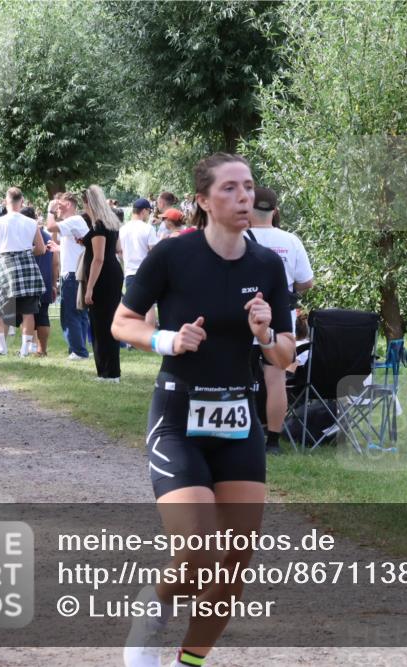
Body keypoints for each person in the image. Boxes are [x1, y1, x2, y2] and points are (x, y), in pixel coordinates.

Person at [112, 153, 294, 667]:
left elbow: (285, 356)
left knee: (233, 562)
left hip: (239, 422)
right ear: (203, 200)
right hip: (178, 420)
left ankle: (189, 661)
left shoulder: (267, 265)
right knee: (198, 552)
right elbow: (122, 322)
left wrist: (264, 334)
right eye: (230, 188)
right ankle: (156, 604)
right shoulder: (174, 255)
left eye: (249, 187)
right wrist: (167, 339)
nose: (244, 197)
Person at [247, 186, 314, 454]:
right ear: (275, 211)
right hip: (280, 315)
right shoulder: (290, 240)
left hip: (247, 313)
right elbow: (306, 282)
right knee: (275, 378)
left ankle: (239, 432)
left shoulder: (238, 237)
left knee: (237, 375)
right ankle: (273, 440)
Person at [0, 187, 46, 357]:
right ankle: (24, 351)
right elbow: (41, 249)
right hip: (28, 266)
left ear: (5, 202)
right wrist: (25, 253)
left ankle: (1, 349)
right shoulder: (32, 222)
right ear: (21, 201)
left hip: (6, 265)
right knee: (28, 312)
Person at [81, 185, 124, 382]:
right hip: (113, 273)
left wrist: (89, 288)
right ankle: (111, 371)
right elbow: (117, 248)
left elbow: (98, 259)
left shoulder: (98, 226)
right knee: (108, 323)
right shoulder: (112, 223)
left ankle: (107, 372)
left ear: (88, 203)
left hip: (102, 277)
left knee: (100, 325)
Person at [45, 192, 91, 361]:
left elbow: (50, 227)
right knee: (80, 314)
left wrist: (49, 210)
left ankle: (78, 351)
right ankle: (80, 348)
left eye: (60, 205)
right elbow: (79, 247)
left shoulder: (74, 220)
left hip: (72, 275)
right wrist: (59, 249)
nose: (57, 208)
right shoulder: (76, 222)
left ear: (69, 205)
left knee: (70, 314)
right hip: (77, 273)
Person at [23, 206, 59, 356]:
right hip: (45, 280)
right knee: (43, 314)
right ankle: (42, 350)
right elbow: (55, 262)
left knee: (27, 314)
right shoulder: (47, 237)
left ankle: (27, 348)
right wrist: (54, 284)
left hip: (28, 280)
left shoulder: (24, 236)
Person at [119, 198, 160, 326]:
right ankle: (149, 334)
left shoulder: (123, 229)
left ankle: (134, 335)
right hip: (146, 272)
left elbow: (119, 251)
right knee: (149, 308)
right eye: (149, 211)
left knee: (133, 310)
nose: (149, 215)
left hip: (130, 273)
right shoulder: (148, 228)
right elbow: (154, 252)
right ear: (144, 211)